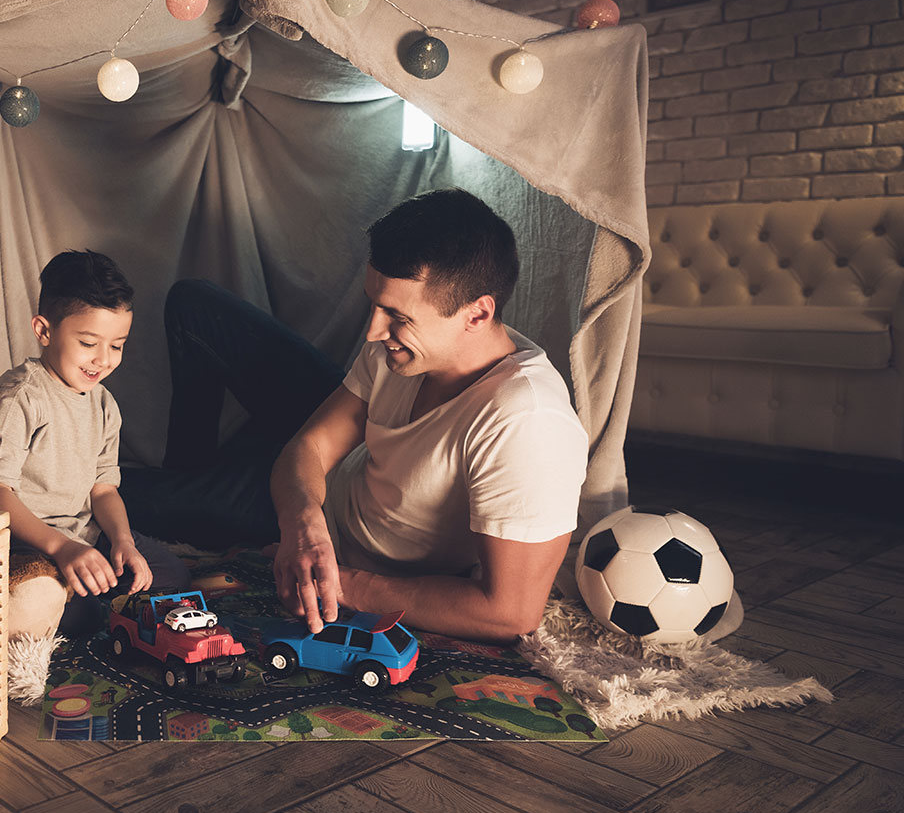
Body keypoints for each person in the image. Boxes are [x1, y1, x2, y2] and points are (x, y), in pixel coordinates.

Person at [121, 189, 588, 644]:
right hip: (327, 493)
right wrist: (303, 523)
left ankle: (193, 496)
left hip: (337, 531)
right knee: (194, 304)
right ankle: (196, 476)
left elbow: (510, 613)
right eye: (374, 304)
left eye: (396, 315)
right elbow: (309, 447)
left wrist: (336, 579)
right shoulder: (401, 346)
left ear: (476, 314)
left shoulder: (528, 421)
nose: (372, 331)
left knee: (108, 499)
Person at [0, 250, 190, 634]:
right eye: (88, 343)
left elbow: (103, 489)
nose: (103, 360)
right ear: (44, 330)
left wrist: (122, 540)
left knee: (169, 574)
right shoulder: (20, 396)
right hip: (27, 543)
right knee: (79, 615)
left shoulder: (104, 403)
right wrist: (61, 547)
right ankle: (71, 603)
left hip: (82, 536)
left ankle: (89, 593)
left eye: (117, 345)